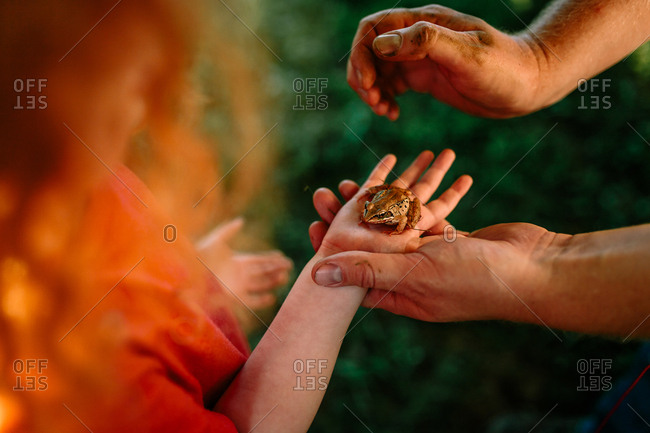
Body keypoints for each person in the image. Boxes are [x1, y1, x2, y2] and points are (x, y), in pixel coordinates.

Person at [0, 1, 472, 431]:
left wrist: (191, 287)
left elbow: (116, 284)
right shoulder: (92, 390)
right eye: (135, 83)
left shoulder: (69, 180)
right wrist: (341, 265)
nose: (143, 112)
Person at [310, 1, 650, 339]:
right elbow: (375, 201)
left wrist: (537, 272)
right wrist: (537, 62)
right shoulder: (374, 206)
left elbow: (402, 216)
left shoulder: (393, 217)